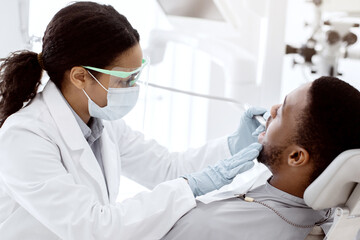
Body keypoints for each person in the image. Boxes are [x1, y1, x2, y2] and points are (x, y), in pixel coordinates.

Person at [0, 2, 266, 239]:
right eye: (124, 80)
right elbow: (94, 228)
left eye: (136, 77)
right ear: (80, 76)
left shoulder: (100, 121)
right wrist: (191, 186)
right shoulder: (24, 136)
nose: (131, 88)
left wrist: (233, 145)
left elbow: (167, 169)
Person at [162, 76, 360, 240]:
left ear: (296, 156)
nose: (272, 110)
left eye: (282, 111)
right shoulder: (311, 207)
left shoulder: (208, 228)